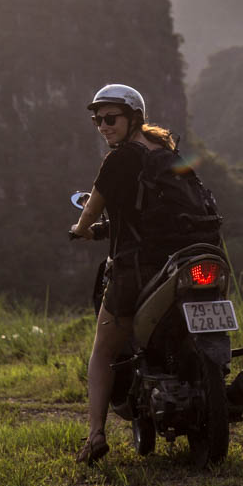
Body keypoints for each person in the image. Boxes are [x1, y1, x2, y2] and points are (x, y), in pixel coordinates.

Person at [70, 82, 179, 465]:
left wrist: (81, 230)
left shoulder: (120, 159)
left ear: (134, 118)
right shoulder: (165, 152)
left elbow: (91, 209)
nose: (103, 126)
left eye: (110, 118)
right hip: (180, 263)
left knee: (102, 350)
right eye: (97, 120)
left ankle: (95, 435)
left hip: (136, 269)